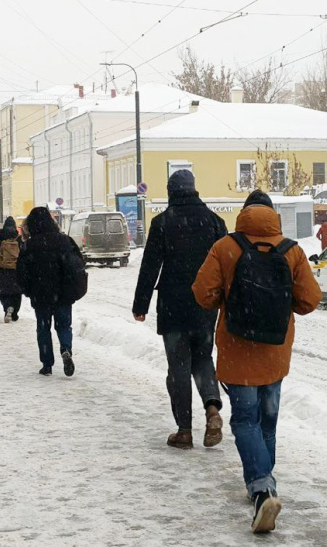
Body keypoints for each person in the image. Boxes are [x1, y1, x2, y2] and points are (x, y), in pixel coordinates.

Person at [193, 190, 322, 534]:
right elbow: (309, 299)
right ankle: (265, 487)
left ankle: (262, 488)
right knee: (267, 420)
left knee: (245, 420)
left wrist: (230, 298)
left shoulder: (225, 247)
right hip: (274, 353)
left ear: (244, 213)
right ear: (273, 215)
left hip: (237, 349)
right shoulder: (291, 250)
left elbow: (202, 293)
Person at [132, 170, 227, 450]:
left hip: (173, 306)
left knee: (178, 368)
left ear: (171, 191)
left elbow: (150, 266)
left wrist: (141, 305)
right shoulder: (214, 221)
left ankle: (184, 431)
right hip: (205, 306)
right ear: (194, 189)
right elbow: (225, 266)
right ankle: (212, 407)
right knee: (203, 359)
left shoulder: (163, 222)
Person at [17, 207, 82, 377]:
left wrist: (27, 290)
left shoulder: (29, 245)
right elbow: (78, 263)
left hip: (40, 294)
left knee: (43, 328)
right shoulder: (65, 241)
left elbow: (21, 271)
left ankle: (47, 364)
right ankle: (66, 349)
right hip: (63, 293)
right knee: (64, 325)